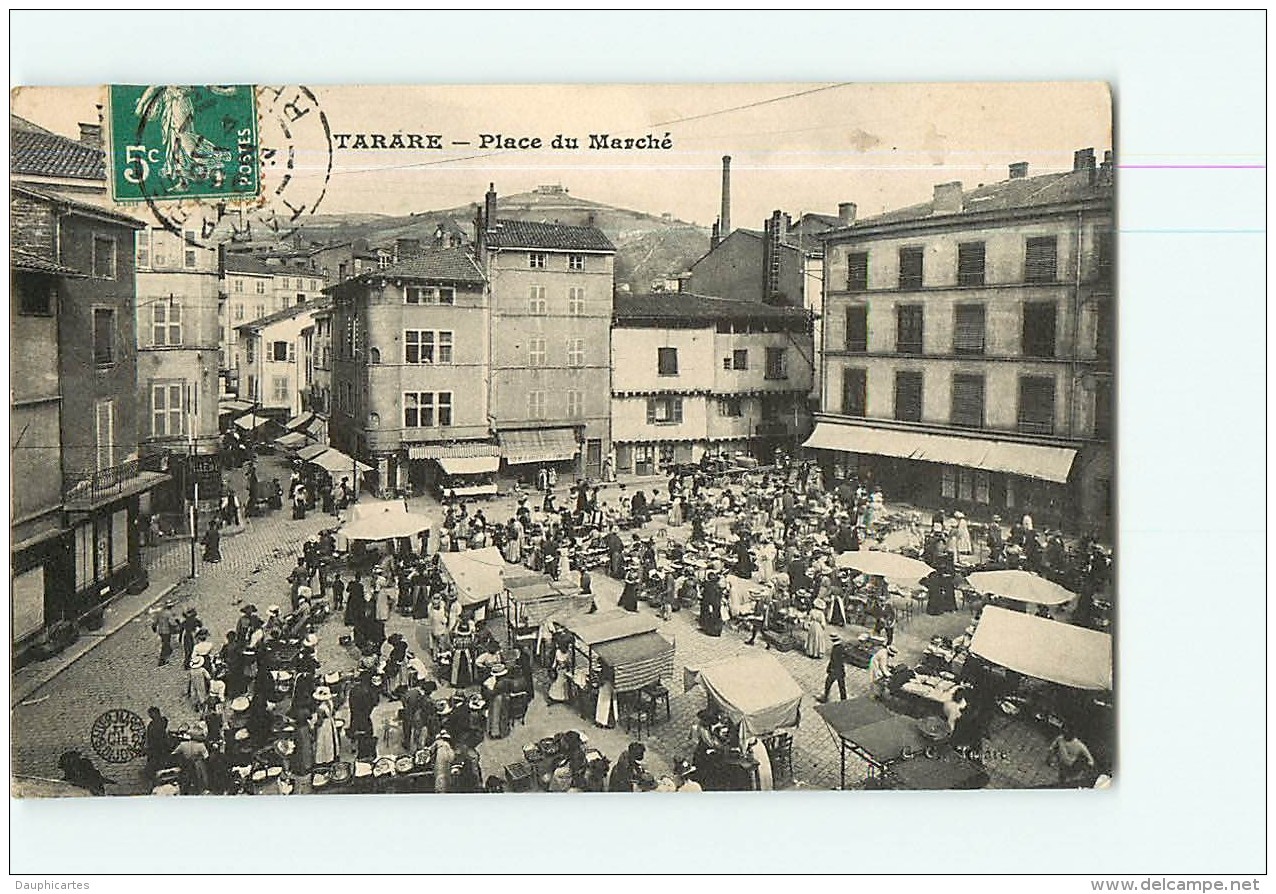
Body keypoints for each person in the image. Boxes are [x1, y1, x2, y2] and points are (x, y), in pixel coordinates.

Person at [152, 600, 177, 666]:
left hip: (160, 631)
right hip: (166, 631)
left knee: (165, 642)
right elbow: (172, 623)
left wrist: (154, 628)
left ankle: (168, 651)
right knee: (165, 644)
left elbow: (155, 622)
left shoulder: (160, 612)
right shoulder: (169, 613)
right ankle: (162, 660)